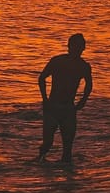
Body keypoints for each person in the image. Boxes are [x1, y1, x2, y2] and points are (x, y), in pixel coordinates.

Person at [37, 33, 94, 163]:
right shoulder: (57, 61)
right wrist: (45, 100)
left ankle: (68, 180)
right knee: (47, 143)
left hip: (69, 108)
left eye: (81, 47)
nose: (78, 49)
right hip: (52, 107)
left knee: (68, 149)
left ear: (84, 48)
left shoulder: (84, 66)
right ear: (69, 46)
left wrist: (83, 100)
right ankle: (39, 168)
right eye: (76, 46)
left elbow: (89, 85)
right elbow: (42, 78)